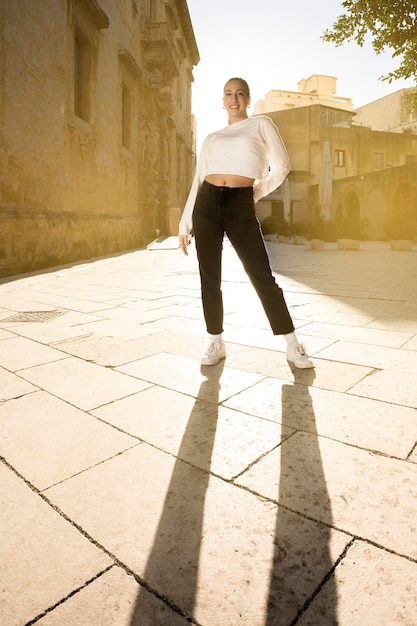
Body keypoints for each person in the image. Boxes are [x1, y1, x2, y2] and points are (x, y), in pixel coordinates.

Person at [178, 77, 313, 369]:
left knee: (261, 274)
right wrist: (184, 223)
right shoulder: (212, 138)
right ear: (223, 100)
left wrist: (256, 192)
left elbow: (281, 167)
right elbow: (198, 178)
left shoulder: (261, 125)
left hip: (241, 203)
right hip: (206, 204)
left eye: (240, 94)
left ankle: (292, 344)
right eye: (228, 94)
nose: (234, 99)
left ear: (248, 99)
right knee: (209, 277)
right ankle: (216, 339)